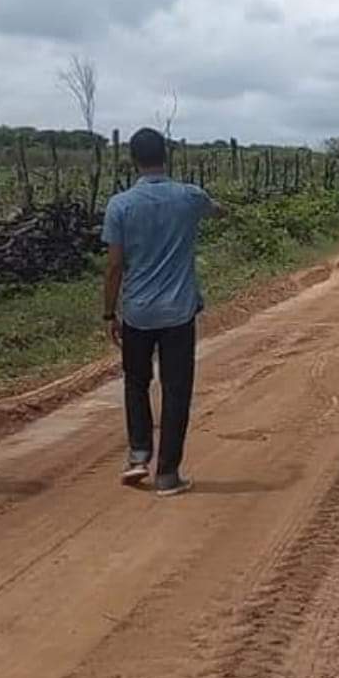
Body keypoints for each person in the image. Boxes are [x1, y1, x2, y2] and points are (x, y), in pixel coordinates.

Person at [102, 128, 221, 497]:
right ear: (166, 155)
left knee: (136, 383)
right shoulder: (189, 197)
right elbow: (217, 210)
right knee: (176, 389)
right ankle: (168, 474)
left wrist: (109, 313)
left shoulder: (119, 205)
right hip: (179, 312)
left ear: (132, 160)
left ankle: (138, 455)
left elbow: (115, 265)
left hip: (137, 311)